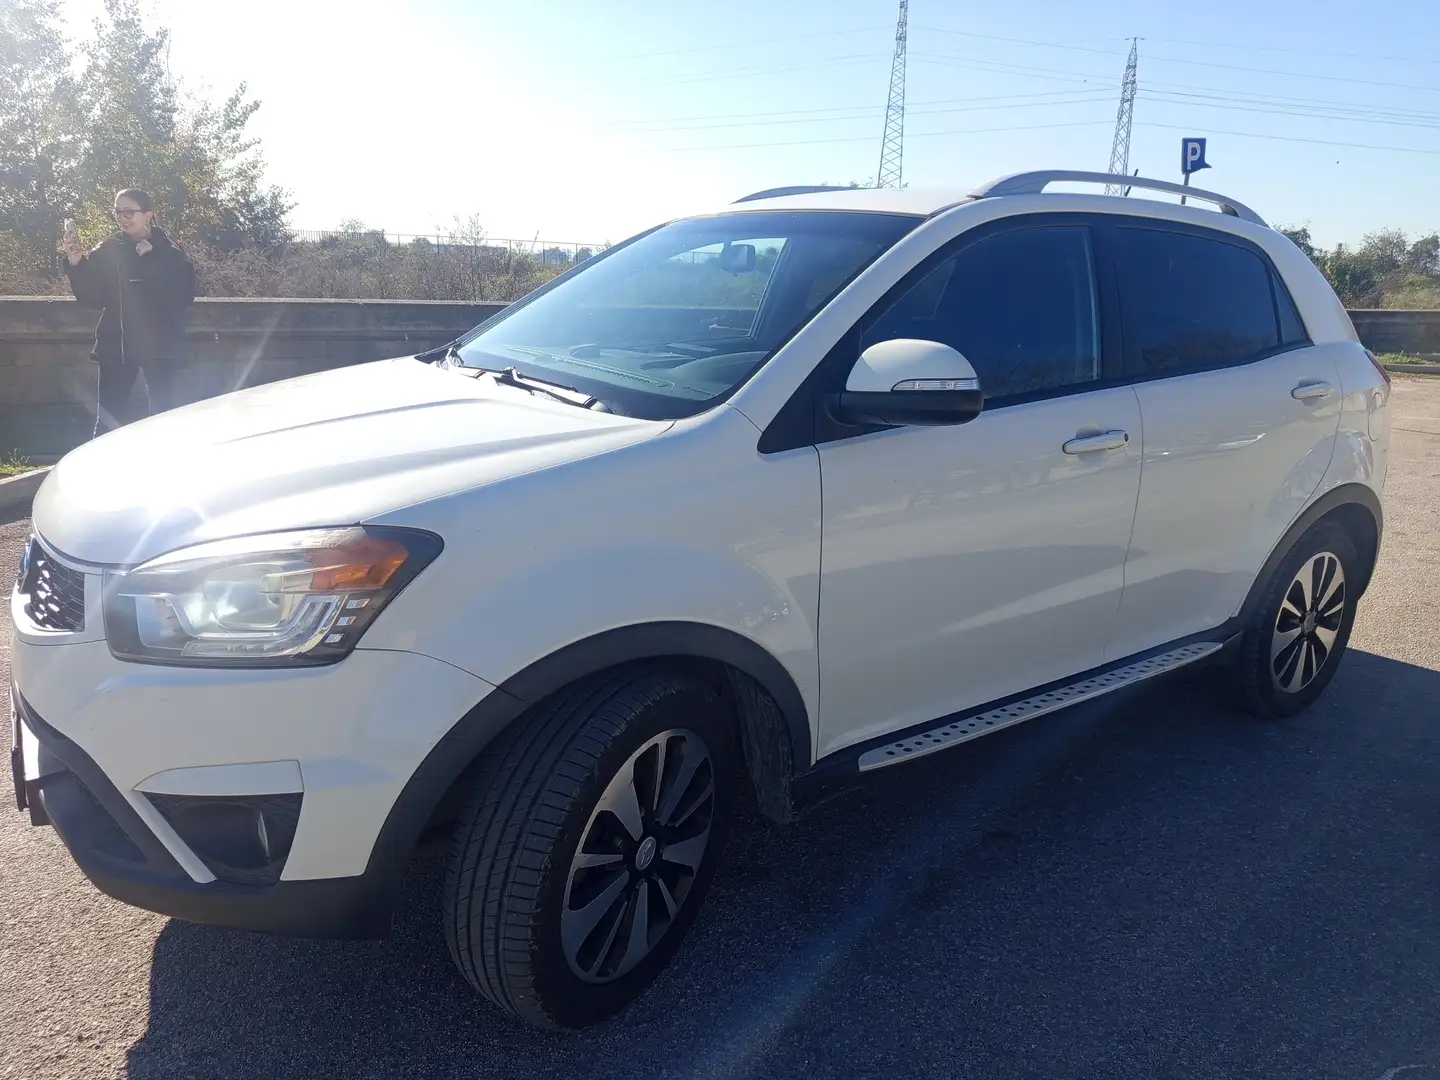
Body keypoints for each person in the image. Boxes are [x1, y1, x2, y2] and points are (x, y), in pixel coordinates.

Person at [60, 188, 197, 436]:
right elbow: (92, 298)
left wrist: (151, 260)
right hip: (117, 346)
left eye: (129, 211)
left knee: (165, 418)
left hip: (161, 348)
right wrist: (76, 263)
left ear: (148, 215)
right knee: (108, 423)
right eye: (118, 211)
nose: (122, 217)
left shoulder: (169, 252)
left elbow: (181, 298)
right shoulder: (107, 250)